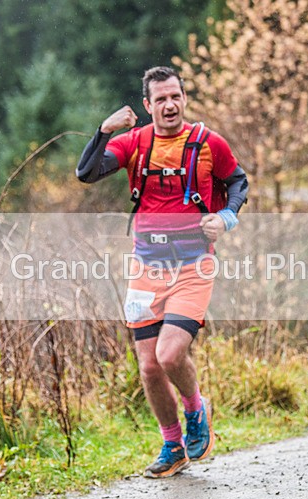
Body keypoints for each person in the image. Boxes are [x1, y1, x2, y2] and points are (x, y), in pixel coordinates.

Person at [75, 66, 249, 477]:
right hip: (145, 267)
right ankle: (172, 444)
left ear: (184, 99)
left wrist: (226, 216)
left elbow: (239, 182)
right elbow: (86, 172)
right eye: (161, 99)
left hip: (193, 263)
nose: (170, 105)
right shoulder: (134, 142)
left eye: (176, 97)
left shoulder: (208, 143)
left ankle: (195, 409)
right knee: (149, 366)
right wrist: (104, 130)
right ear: (147, 105)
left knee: (170, 354)